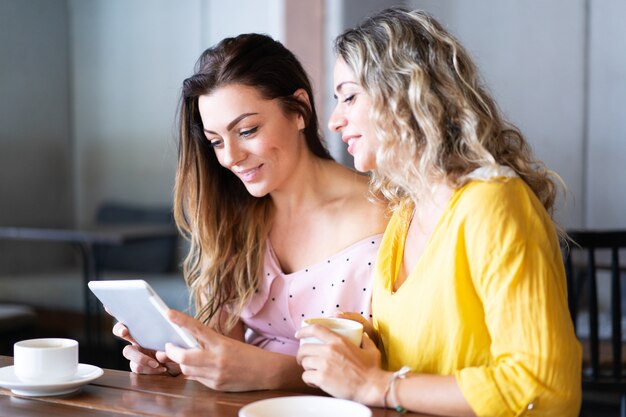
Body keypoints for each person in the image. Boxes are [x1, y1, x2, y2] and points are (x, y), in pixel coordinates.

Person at [296, 7, 582, 416]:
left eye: (350, 96)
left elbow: (539, 383)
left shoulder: (494, 203)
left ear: (404, 92)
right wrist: (364, 339)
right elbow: (427, 347)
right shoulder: (404, 215)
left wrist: (376, 385)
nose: (336, 120)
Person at [113, 33, 387, 392]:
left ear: (299, 110)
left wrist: (276, 372)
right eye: (215, 141)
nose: (230, 157)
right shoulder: (235, 217)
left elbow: (403, 366)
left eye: (247, 130)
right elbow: (229, 348)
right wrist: (183, 359)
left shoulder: (386, 212)